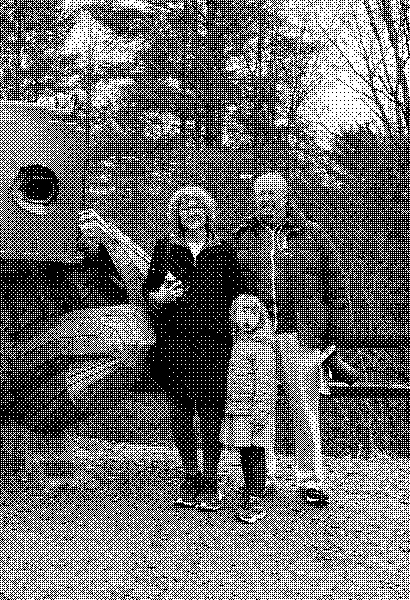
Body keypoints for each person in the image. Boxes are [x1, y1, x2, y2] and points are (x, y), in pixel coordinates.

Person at [234, 171, 352, 506]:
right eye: (260, 194)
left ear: (286, 196)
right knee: (259, 406)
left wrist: (329, 332)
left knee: (304, 407)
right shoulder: (243, 235)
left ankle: (310, 479)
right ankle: (264, 476)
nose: (266, 199)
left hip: (299, 331)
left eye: (272, 193)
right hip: (255, 334)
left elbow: (336, 287)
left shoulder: (312, 233)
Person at [142, 185, 247, 510]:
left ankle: (211, 481)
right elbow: (145, 292)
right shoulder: (164, 248)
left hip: (214, 339)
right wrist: (158, 297)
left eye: (197, 207)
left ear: (207, 213)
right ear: (177, 215)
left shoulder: (226, 250)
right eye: (185, 208)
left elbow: (243, 291)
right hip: (175, 337)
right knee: (181, 409)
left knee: (212, 409)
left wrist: (245, 308)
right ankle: (190, 477)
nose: (192, 213)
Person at [223, 294, 277, 523]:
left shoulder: (261, 345)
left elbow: (265, 381)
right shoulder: (235, 342)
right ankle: (252, 486)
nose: (247, 317)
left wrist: (261, 412)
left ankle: (254, 496)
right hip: (237, 408)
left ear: (261, 316)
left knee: (256, 451)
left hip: (256, 409)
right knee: (245, 451)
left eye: (252, 312)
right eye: (242, 312)